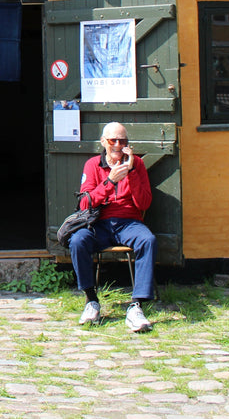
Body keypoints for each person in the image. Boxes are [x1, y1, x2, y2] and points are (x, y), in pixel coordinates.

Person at [69, 122, 157, 332]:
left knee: (148, 240)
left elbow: (144, 203)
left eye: (123, 141)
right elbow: (85, 203)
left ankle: (136, 306)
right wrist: (109, 181)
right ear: (103, 142)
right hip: (99, 223)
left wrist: (131, 172)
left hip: (129, 222)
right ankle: (91, 300)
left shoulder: (137, 165)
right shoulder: (93, 165)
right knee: (78, 240)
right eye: (113, 140)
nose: (118, 145)